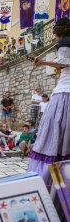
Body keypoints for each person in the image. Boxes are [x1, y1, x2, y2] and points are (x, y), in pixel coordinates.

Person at [28, 17, 70, 185]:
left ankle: (53, 177)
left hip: (65, 92)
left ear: (58, 31)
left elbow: (66, 64)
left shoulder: (64, 43)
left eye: (54, 32)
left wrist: (42, 62)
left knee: (54, 130)